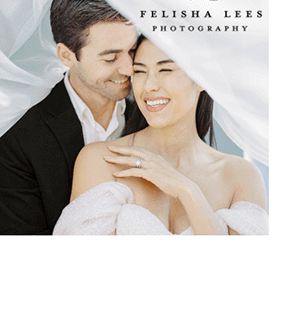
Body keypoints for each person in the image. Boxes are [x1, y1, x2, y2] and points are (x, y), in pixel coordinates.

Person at [54, 37, 268, 234]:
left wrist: (188, 191)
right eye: (139, 72)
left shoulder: (242, 176)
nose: (149, 86)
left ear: (202, 79)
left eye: (165, 69)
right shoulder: (101, 161)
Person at [0, 0, 137, 234]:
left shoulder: (156, 114)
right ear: (67, 56)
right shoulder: (20, 138)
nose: (129, 69)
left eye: (133, 51)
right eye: (111, 57)